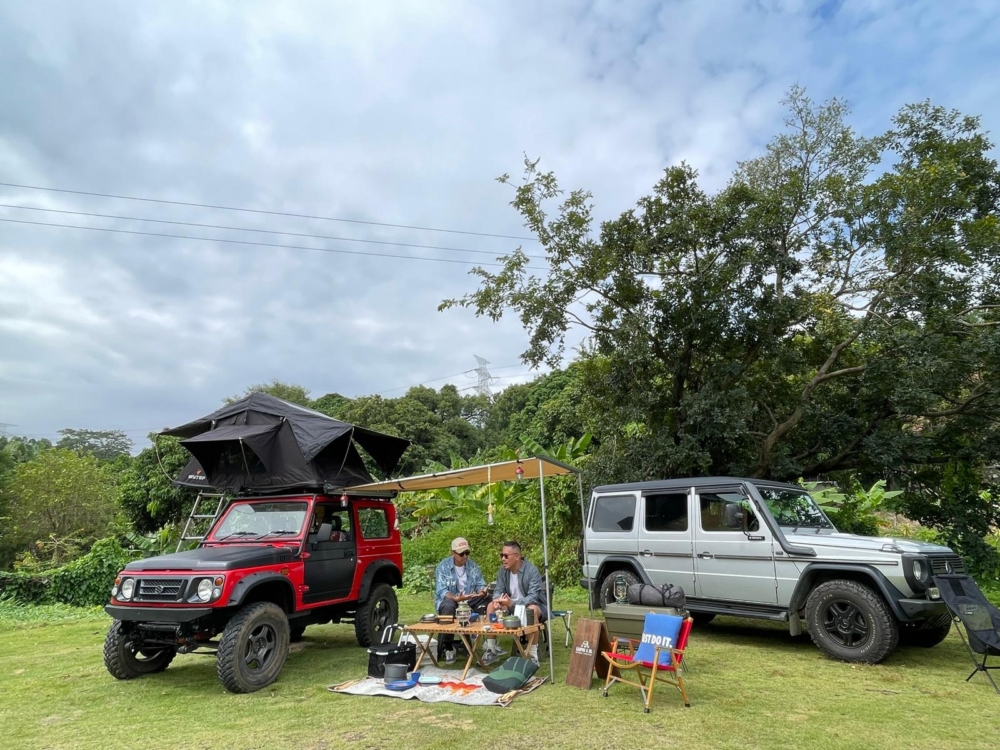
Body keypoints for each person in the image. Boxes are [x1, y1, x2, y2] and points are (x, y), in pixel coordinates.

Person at [483, 541, 547, 666]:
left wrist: (512, 603)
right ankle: (491, 649)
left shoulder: (531, 571)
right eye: (502, 555)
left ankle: (533, 655)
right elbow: (498, 590)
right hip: (511, 606)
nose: (503, 559)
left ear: (517, 556)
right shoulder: (503, 571)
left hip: (533, 606)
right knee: (491, 606)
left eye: (506, 556)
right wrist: (497, 601)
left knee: (531, 610)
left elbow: (533, 597)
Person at [434, 537, 489, 663]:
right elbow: (441, 591)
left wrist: (483, 591)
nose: (465, 556)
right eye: (461, 554)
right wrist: (456, 598)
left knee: (491, 601)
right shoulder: (442, 567)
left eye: (467, 553)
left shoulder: (473, 566)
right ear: (453, 553)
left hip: (469, 599)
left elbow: (480, 583)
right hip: (452, 599)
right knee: (448, 606)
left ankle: (490, 644)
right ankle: (448, 647)